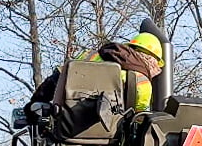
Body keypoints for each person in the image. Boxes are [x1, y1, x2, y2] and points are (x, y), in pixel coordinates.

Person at [26, 31, 164, 115]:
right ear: (153, 62)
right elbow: (138, 120)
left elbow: (57, 78)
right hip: (110, 143)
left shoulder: (89, 56)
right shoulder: (143, 83)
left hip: (64, 132)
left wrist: (35, 102)